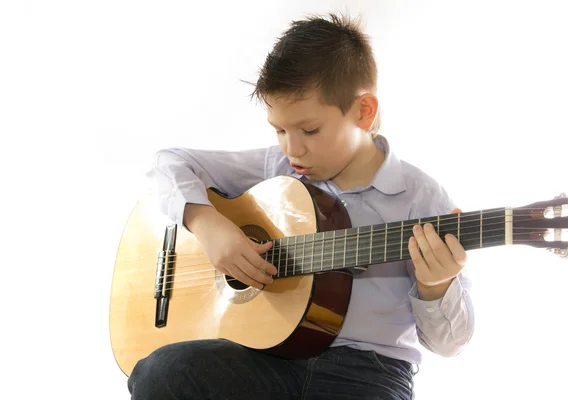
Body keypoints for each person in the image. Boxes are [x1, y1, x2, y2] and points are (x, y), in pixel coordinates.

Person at [128, 12, 474, 400]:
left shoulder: (423, 199)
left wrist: (436, 285)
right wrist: (207, 224)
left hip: (369, 374)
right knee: (163, 372)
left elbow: (451, 344)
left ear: (363, 112)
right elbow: (168, 163)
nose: (292, 148)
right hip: (268, 360)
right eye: (279, 130)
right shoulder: (277, 170)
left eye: (309, 130)